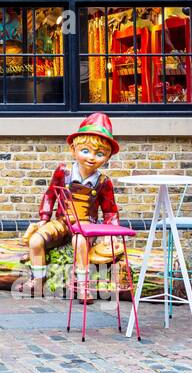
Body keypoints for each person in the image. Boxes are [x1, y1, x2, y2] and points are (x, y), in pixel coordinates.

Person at [19, 113, 122, 300]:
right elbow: (50, 195)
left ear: (107, 158)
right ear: (73, 149)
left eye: (99, 154)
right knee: (35, 241)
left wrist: (111, 233)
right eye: (85, 151)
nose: (91, 158)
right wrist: (44, 218)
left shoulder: (103, 182)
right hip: (62, 222)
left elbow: (110, 211)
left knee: (79, 242)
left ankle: (82, 285)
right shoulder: (62, 172)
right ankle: (38, 280)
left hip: (85, 225)